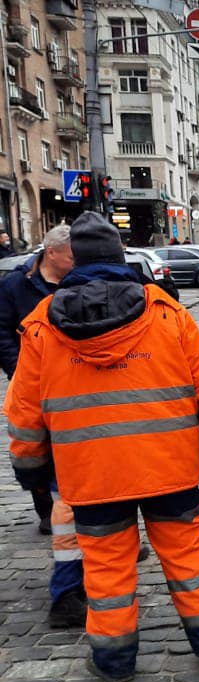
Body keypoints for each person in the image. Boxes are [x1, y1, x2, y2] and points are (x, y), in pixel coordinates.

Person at [5, 212, 199, 682]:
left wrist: (30, 471)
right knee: (190, 557)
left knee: (107, 569)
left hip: (91, 475)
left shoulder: (41, 327)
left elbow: (25, 414)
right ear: (121, 256)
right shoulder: (165, 312)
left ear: (74, 260)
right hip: (166, 467)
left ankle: (113, 661)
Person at [0, 224, 87, 627]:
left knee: (67, 500)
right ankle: (70, 591)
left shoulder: (80, 286)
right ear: (52, 253)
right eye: (71, 254)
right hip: (45, 395)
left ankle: (78, 580)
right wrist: (16, 363)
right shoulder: (20, 291)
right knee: (63, 500)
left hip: (75, 408)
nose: (76, 261)